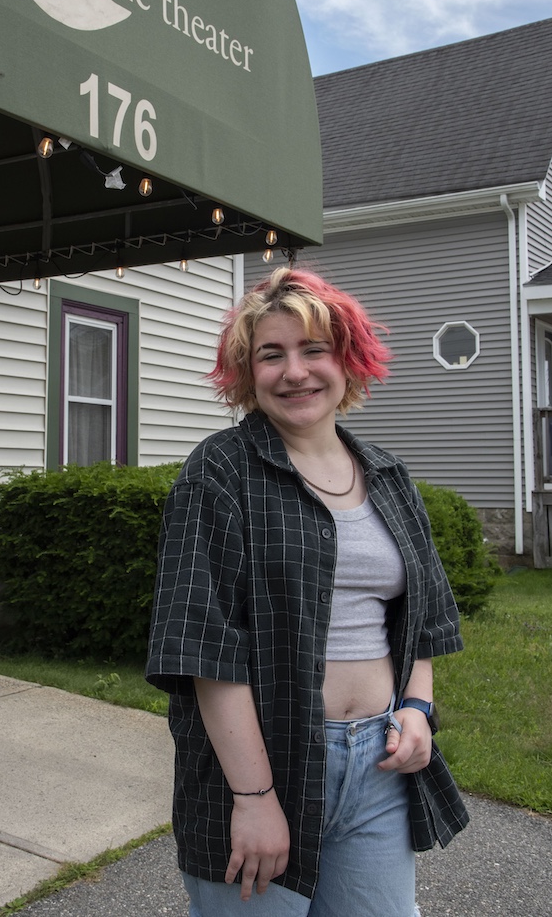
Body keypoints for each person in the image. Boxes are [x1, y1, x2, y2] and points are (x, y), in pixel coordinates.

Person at [146, 267, 468, 916]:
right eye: (272, 354)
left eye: (312, 350)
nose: (294, 372)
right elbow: (206, 649)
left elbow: (421, 619)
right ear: (246, 371)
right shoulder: (219, 472)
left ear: (346, 361)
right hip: (267, 763)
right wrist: (255, 797)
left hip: (377, 766)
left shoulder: (386, 475)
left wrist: (415, 709)